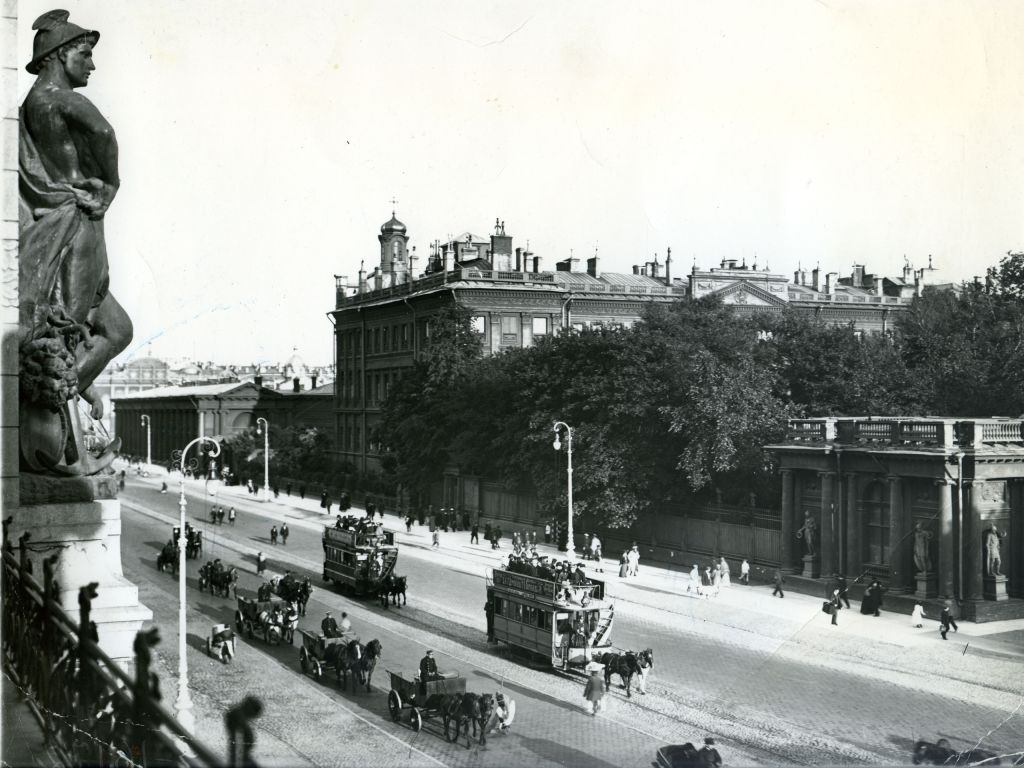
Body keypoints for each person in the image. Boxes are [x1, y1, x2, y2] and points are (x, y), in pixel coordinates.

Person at [19, 10, 139, 467]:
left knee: (116, 330)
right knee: (74, 333)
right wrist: (110, 186)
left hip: (67, 221)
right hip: (74, 225)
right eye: (85, 54)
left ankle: (59, 414)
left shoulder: (33, 104)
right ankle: (49, 440)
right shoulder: (58, 96)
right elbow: (104, 132)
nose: (91, 64)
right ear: (58, 55)